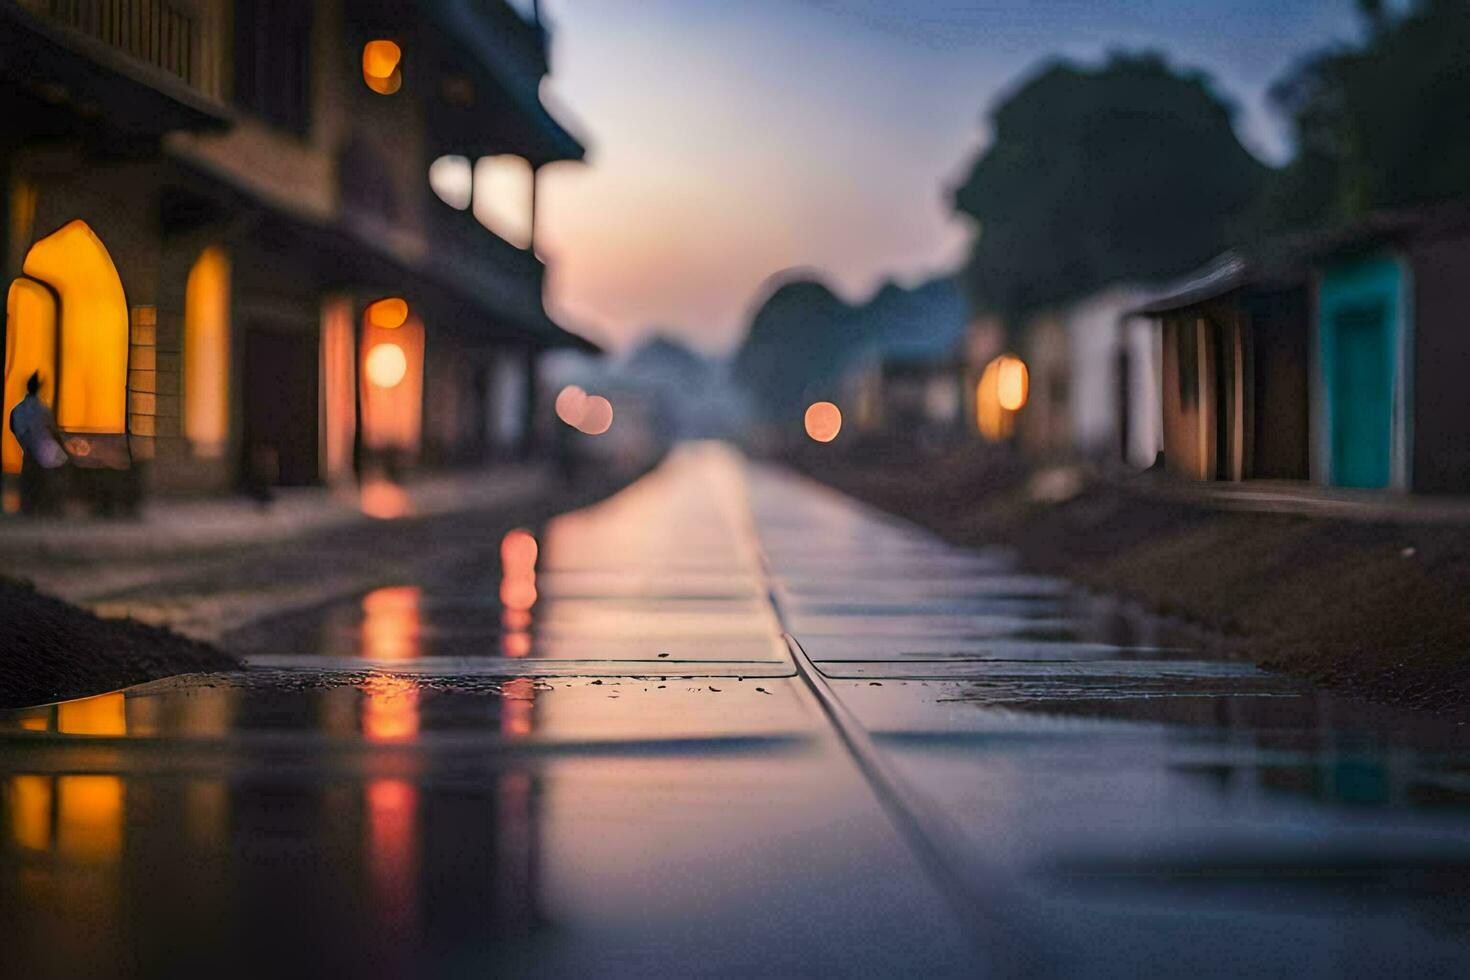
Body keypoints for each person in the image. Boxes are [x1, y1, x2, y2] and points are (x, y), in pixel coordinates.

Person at [9, 372, 68, 515]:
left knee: (28, 484)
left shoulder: (18, 409)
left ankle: (28, 510)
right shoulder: (42, 410)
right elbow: (52, 430)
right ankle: (47, 510)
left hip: (28, 452)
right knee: (45, 483)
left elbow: (13, 426)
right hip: (43, 454)